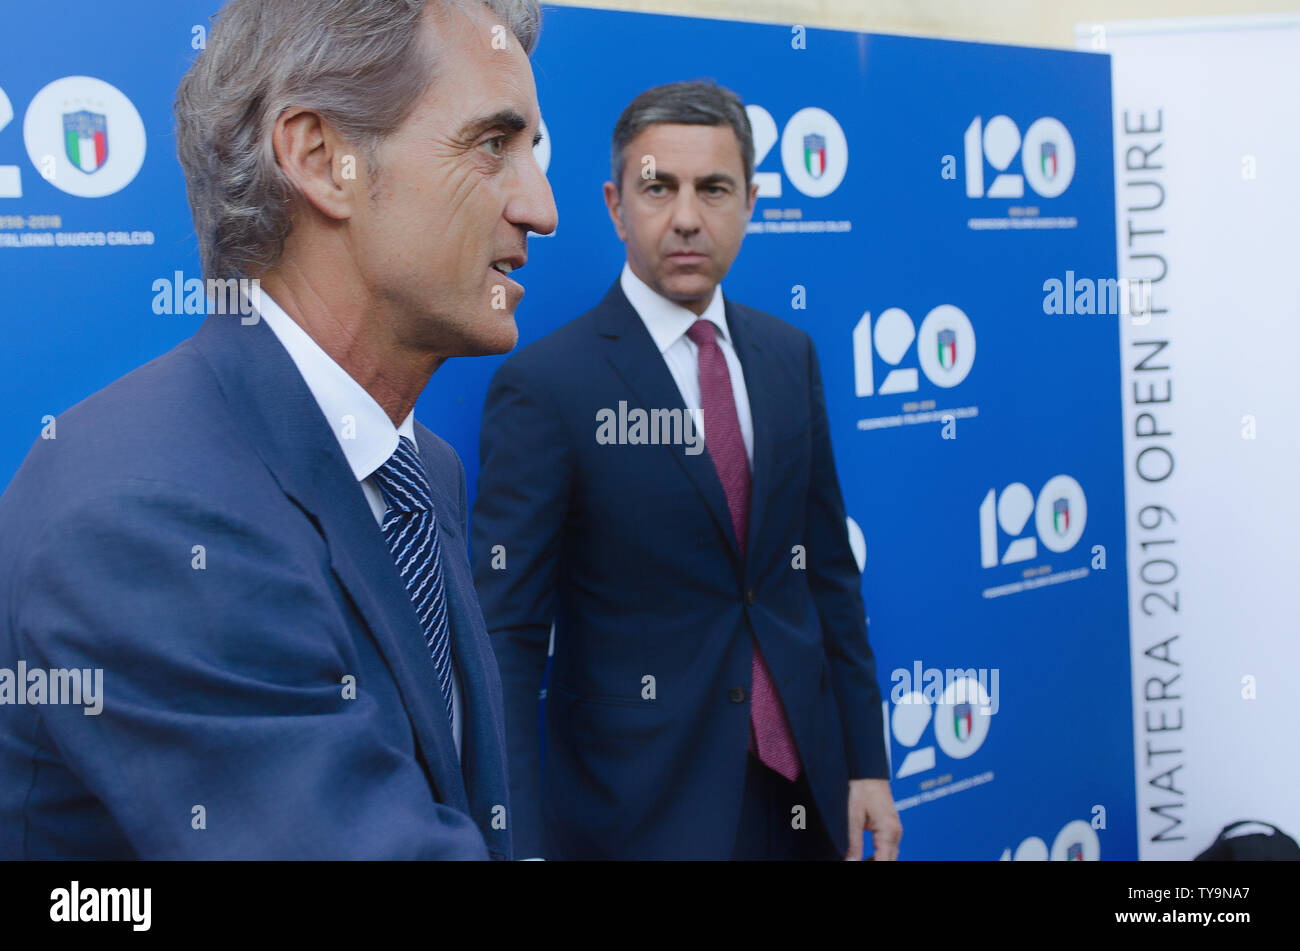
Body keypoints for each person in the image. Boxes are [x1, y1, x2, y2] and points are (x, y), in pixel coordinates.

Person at [0, 0, 555, 859]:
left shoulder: (420, 468)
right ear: (320, 158)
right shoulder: (146, 512)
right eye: (493, 146)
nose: (541, 206)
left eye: (534, 153)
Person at [471, 80, 901, 860]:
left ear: (753, 201)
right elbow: (507, 636)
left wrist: (866, 765)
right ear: (614, 202)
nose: (687, 217)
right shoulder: (548, 386)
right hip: (639, 813)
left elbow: (829, 578)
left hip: (805, 790)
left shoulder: (788, 356)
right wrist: (515, 838)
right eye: (658, 187)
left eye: (714, 188)